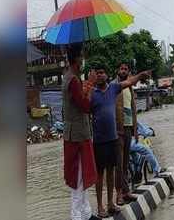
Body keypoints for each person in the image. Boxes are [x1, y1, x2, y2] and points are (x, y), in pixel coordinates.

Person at [90, 64, 151, 216]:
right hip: (99, 140)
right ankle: (100, 206)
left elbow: (129, 82)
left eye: (102, 72)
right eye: (97, 73)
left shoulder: (113, 89)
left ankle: (111, 203)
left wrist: (140, 75)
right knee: (100, 174)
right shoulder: (91, 93)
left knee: (112, 170)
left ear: (106, 75)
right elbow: (83, 107)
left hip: (114, 137)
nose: (100, 75)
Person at [62, 44, 100, 220]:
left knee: (81, 177)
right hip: (77, 137)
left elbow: (78, 100)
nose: (83, 59)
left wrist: (85, 86)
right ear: (77, 59)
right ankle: (78, 216)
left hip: (75, 135)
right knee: (78, 180)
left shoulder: (69, 77)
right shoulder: (74, 80)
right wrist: (91, 83)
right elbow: (86, 106)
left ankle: (85, 213)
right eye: (82, 56)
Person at [112, 62, 145, 205]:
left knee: (126, 162)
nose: (123, 71)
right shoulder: (113, 86)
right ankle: (118, 194)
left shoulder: (130, 87)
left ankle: (126, 192)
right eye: (121, 68)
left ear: (128, 72)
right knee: (118, 164)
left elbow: (132, 108)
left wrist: (135, 129)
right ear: (117, 70)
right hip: (117, 129)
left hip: (128, 128)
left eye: (125, 69)